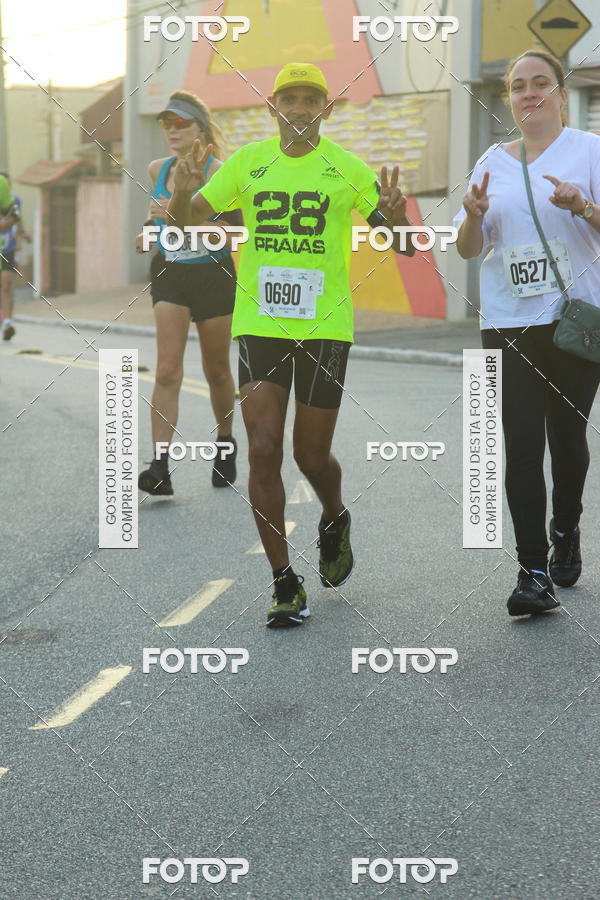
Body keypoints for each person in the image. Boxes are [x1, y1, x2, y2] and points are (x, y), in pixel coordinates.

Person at [167, 63, 415, 627]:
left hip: (325, 327)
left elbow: (401, 245)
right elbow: (186, 229)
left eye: (311, 99)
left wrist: (399, 223)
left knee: (309, 455)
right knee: (261, 449)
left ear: (326, 109)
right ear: (272, 106)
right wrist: (182, 198)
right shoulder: (248, 163)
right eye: (290, 98)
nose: (300, 108)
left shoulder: (346, 168)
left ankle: (333, 515)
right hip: (259, 322)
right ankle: (284, 581)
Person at [455, 49, 600, 617]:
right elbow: (471, 248)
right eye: (518, 86)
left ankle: (566, 525)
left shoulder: (590, 150)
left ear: (562, 95)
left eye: (541, 84)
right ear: (509, 99)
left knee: (568, 441)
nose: (529, 94)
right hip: (508, 322)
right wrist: (471, 215)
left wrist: (583, 205)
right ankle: (532, 570)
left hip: (574, 324)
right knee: (518, 444)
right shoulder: (491, 160)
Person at [135, 91, 240, 496]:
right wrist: (147, 232)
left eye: (181, 124)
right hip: (171, 274)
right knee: (166, 370)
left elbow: (234, 233)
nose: (173, 131)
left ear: (200, 129)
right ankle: (160, 466)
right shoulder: (157, 169)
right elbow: (153, 220)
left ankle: (226, 443)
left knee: (216, 371)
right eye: (167, 124)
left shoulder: (221, 172)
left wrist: (190, 220)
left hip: (212, 276)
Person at [0, 173, 24, 341]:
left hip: (6, 248)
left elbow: (17, 219)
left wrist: (21, 235)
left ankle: (8, 323)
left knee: (6, 284)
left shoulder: (14, 202)